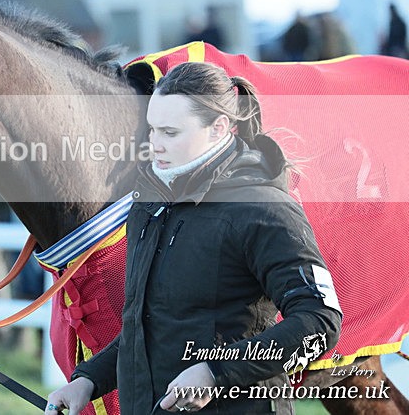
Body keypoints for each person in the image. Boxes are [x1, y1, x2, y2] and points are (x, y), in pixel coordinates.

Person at [45, 62, 342, 414]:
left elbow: (319, 321)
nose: (155, 144)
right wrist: (89, 379)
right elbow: (151, 325)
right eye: (152, 130)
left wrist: (216, 372)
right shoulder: (150, 203)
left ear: (219, 128)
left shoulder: (264, 208)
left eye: (170, 133)